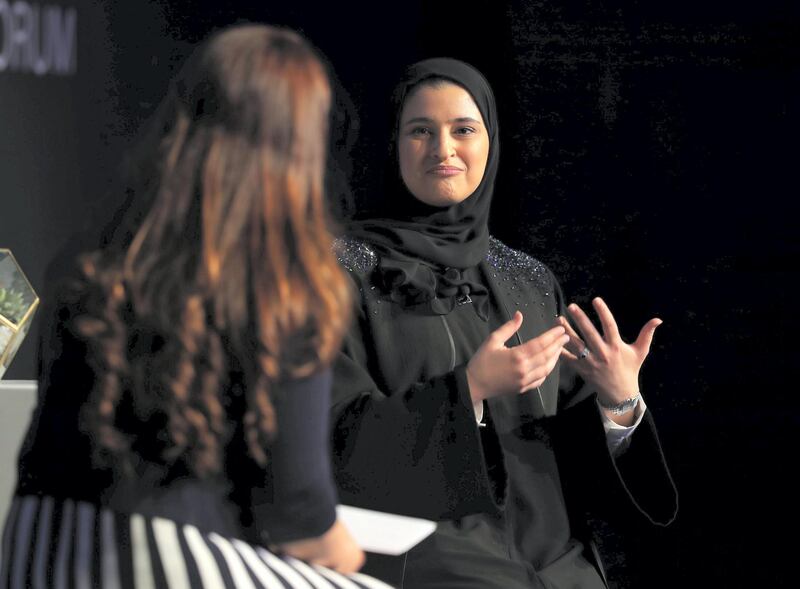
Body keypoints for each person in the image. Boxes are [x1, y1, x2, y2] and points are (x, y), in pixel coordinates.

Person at [1, 24, 392, 589]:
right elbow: (298, 513)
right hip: (160, 557)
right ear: (299, 144)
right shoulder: (288, 287)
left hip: (33, 549)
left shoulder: (90, 257)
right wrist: (352, 557)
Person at [331, 58, 678, 588]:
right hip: (426, 565)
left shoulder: (527, 279)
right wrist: (468, 389)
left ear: (490, 142)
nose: (443, 149)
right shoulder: (336, 273)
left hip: (554, 567)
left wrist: (618, 402)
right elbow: (326, 440)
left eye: (463, 130)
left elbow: (561, 458)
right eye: (420, 130)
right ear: (391, 143)